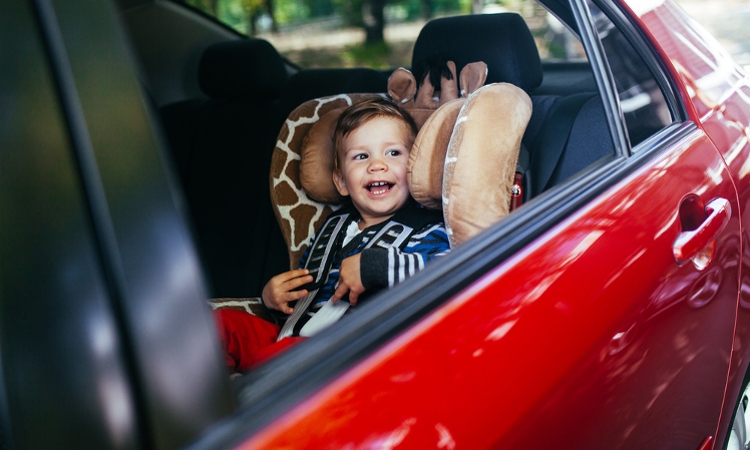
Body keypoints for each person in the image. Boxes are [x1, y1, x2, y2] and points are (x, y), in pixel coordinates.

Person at [215, 98, 450, 372]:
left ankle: (244, 393)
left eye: (393, 153)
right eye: (361, 156)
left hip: (351, 358)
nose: (377, 165)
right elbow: (307, 295)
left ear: (414, 169)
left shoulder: (428, 228)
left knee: (279, 358)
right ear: (340, 181)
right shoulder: (332, 226)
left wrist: (377, 266)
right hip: (291, 338)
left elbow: (445, 273)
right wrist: (275, 299)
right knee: (218, 326)